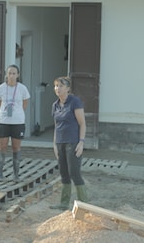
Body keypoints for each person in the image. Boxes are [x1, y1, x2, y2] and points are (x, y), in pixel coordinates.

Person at [49, 76, 88, 210]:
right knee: (64, 173)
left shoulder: (74, 102)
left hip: (73, 142)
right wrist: (54, 144)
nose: (57, 89)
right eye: (55, 86)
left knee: (74, 173)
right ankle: (64, 203)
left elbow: (82, 123)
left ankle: (84, 204)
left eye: (60, 86)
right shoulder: (55, 105)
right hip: (60, 143)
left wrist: (81, 142)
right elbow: (56, 126)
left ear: (67, 88)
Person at [0, 64, 30, 181]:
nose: (12, 76)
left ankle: (16, 174)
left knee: (16, 147)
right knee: (2, 147)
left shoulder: (22, 88)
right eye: (9, 73)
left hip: (18, 121)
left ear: (18, 75)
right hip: (3, 121)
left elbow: (24, 104)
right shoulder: (0, 88)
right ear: (6, 75)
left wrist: (16, 112)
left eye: (14, 73)